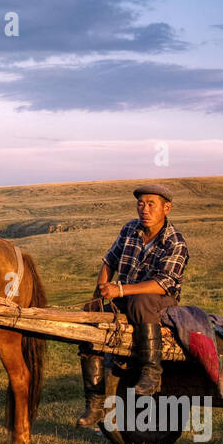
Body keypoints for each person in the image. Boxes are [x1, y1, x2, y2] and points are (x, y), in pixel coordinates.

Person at [76, 183, 189, 428]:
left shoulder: (175, 241)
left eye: (151, 204)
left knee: (142, 300)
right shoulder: (130, 229)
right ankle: (94, 404)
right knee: (90, 315)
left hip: (160, 303)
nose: (144, 209)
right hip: (126, 298)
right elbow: (109, 260)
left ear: (166, 208)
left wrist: (121, 290)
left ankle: (151, 371)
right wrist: (100, 292)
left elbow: (163, 283)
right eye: (141, 203)